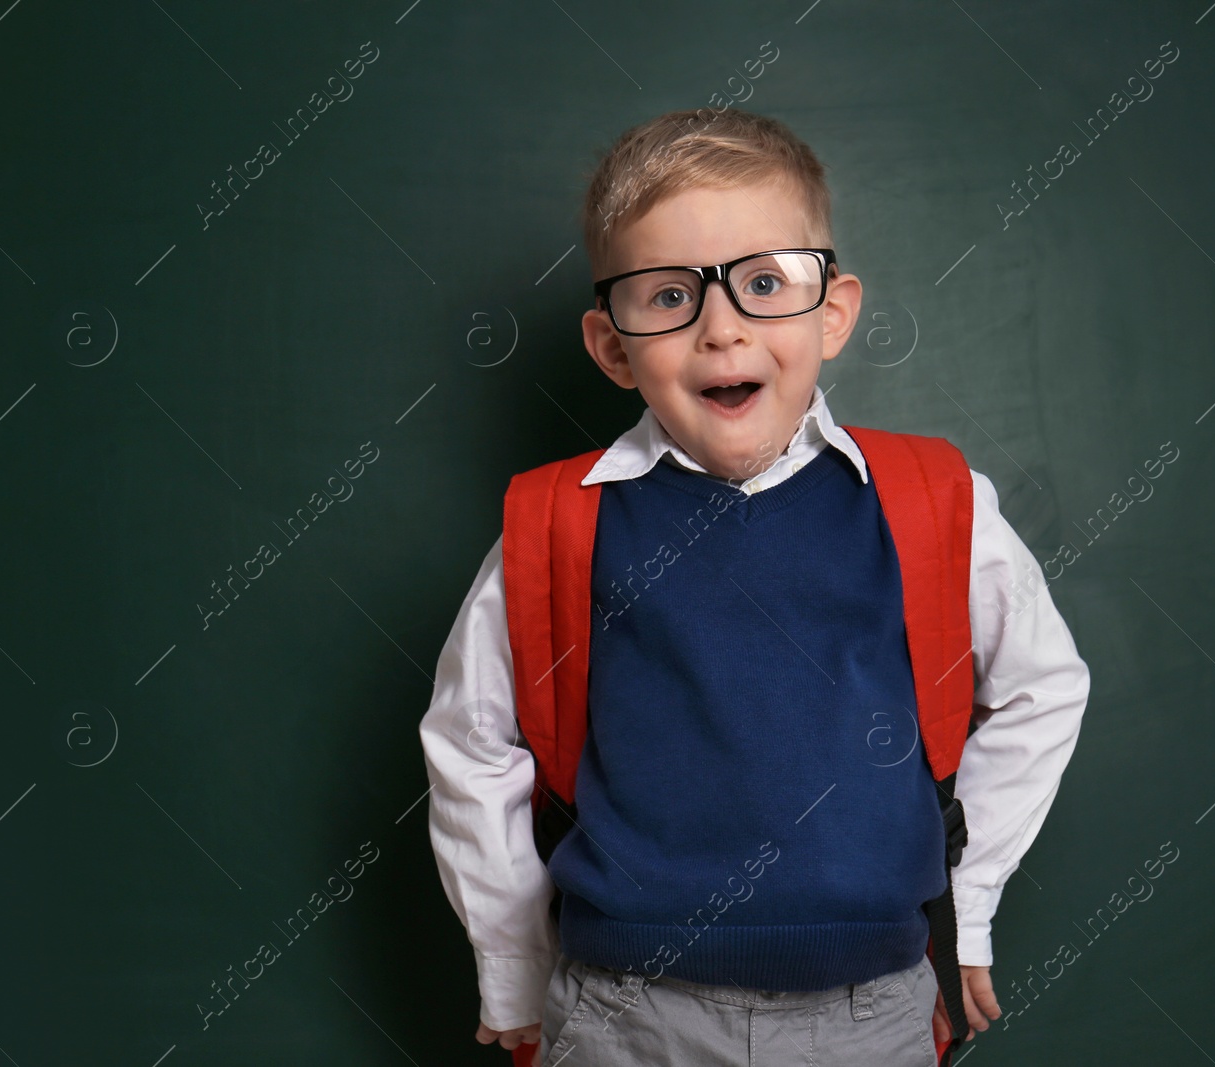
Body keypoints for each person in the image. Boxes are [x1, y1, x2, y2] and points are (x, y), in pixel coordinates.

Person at [419, 106, 1090, 1065]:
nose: (722, 330)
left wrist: (967, 901)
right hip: (621, 1014)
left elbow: (1044, 686)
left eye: (765, 283)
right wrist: (511, 968)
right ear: (613, 346)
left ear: (834, 313)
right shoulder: (560, 522)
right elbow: (470, 742)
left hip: (869, 1014)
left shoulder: (931, 500)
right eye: (666, 297)